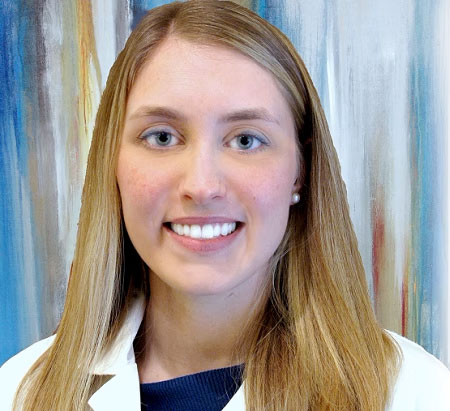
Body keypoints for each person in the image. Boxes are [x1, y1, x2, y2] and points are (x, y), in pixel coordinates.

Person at [1, 1, 449, 410]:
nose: (202, 185)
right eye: (161, 137)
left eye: (246, 140)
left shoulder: (414, 393)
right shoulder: (18, 391)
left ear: (301, 172)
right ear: (112, 163)